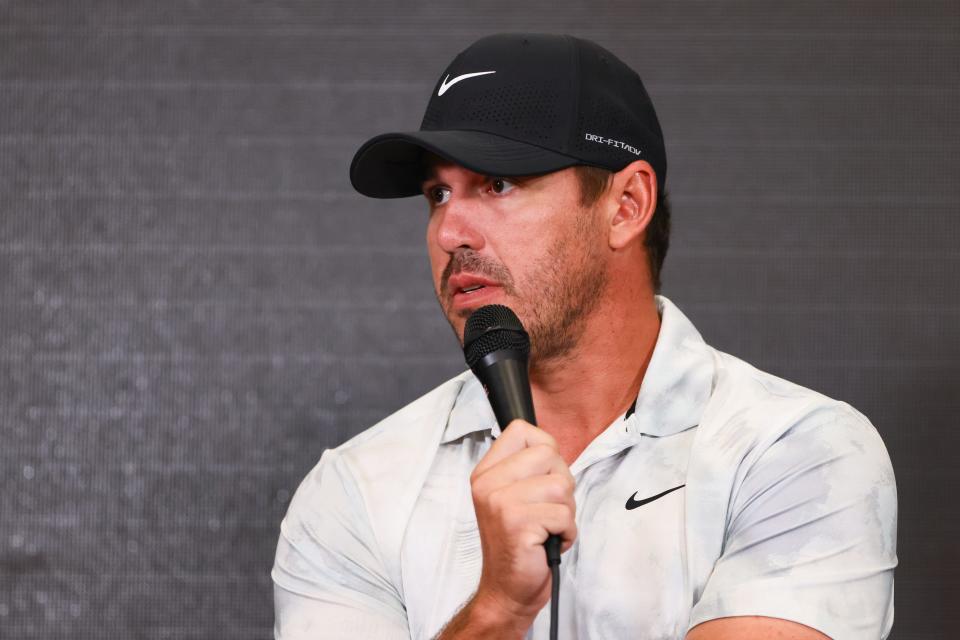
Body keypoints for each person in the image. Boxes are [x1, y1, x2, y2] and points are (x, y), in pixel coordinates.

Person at [272, 33, 897, 639]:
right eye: (438, 193)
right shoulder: (355, 487)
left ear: (625, 205)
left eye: (498, 184)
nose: (449, 232)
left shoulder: (794, 451)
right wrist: (494, 613)